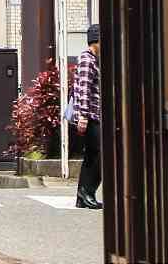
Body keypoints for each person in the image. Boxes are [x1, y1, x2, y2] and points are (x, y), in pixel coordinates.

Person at [72, 24, 103, 210]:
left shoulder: (95, 60)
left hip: (94, 115)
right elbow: (83, 89)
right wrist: (83, 116)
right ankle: (87, 192)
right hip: (90, 116)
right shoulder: (87, 59)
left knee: (92, 155)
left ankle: (83, 195)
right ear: (96, 41)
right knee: (98, 155)